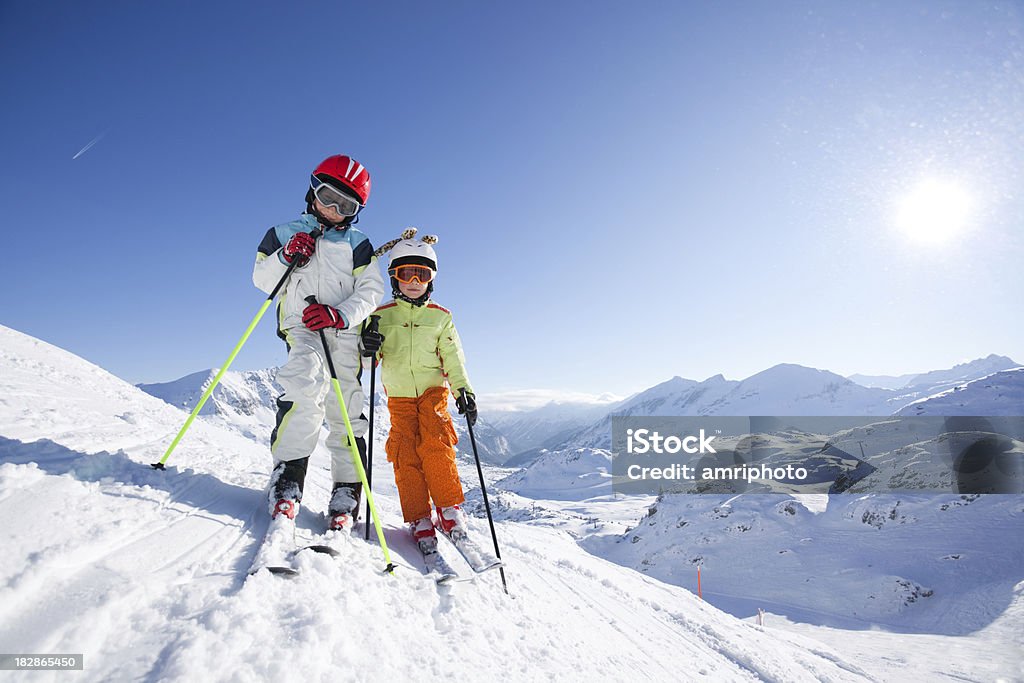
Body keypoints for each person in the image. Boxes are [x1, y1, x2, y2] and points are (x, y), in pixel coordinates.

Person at [252, 154, 385, 531]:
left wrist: (340, 314)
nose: (333, 209)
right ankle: (289, 477)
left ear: (356, 212)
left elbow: (371, 290)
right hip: (303, 325)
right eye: (328, 197)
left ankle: (347, 487)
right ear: (312, 190)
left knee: (346, 407)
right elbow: (263, 279)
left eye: (346, 205)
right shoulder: (283, 233)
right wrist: (287, 255)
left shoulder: (359, 244)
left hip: (343, 332)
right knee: (305, 383)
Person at [361, 228, 478, 554]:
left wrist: (463, 392)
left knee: (437, 445)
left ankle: (449, 509)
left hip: (432, 392)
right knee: (405, 454)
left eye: (422, 274)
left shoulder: (441, 318)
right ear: (394, 277)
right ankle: (418, 517)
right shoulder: (380, 316)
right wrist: (368, 348)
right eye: (405, 273)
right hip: (398, 397)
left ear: (431, 279)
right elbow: (368, 365)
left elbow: (453, 359)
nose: (414, 280)